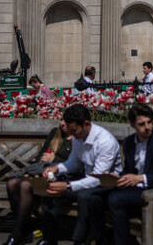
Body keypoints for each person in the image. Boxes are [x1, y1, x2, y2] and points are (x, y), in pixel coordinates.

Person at [40, 103, 122, 245]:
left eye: (75, 131)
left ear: (86, 124)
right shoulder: (79, 136)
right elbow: (74, 162)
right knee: (50, 191)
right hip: (86, 180)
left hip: (107, 183)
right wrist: (57, 169)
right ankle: (49, 238)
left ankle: (80, 240)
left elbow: (98, 178)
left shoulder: (105, 142)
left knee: (84, 197)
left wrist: (67, 186)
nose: (73, 135)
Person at [107, 103, 153, 245]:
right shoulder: (129, 143)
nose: (147, 127)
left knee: (115, 199)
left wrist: (140, 178)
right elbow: (129, 170)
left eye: (149, 122)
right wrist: (119, 177)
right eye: (142, 124)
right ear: (132, 125)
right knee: (97, 196)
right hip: (134, 190)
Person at [2, 119, 72, 245]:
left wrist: (54, 159)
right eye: (61, 119)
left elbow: (74, 164)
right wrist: (43, 162)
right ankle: (24, 226)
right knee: (12, 183)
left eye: (66, 121)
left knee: (24, 186)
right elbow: (41, 155)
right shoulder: (55, 133)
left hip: (59, 178)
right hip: (41, 173)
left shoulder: (76, 139)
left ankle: (18, 233)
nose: (62, 123)